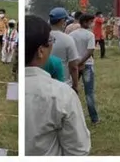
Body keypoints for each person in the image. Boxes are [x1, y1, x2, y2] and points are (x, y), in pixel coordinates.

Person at [24, 15, 91, 156]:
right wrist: (75, 86)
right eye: (50, 41)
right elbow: (78, 150)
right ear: (40, 51)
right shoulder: (62, 95)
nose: (52, 43)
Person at [74, 13, 99, 125]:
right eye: (90, 22)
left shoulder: (72, 35)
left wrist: (77, 63)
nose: (92, 24)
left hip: (75, 65)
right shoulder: (90, 35)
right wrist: (82, 62)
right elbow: (90, 51)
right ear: (85, 22)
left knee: (73, 90)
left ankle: (73, 116)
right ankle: (94, 118)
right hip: (87, 65)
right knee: (89, 93)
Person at [49, 8, 81, 92]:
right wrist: (75, 85)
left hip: (45, 83)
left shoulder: (42, 37)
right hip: (64, 84)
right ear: (62, 21)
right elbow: (73, 66)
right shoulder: (68, 39)